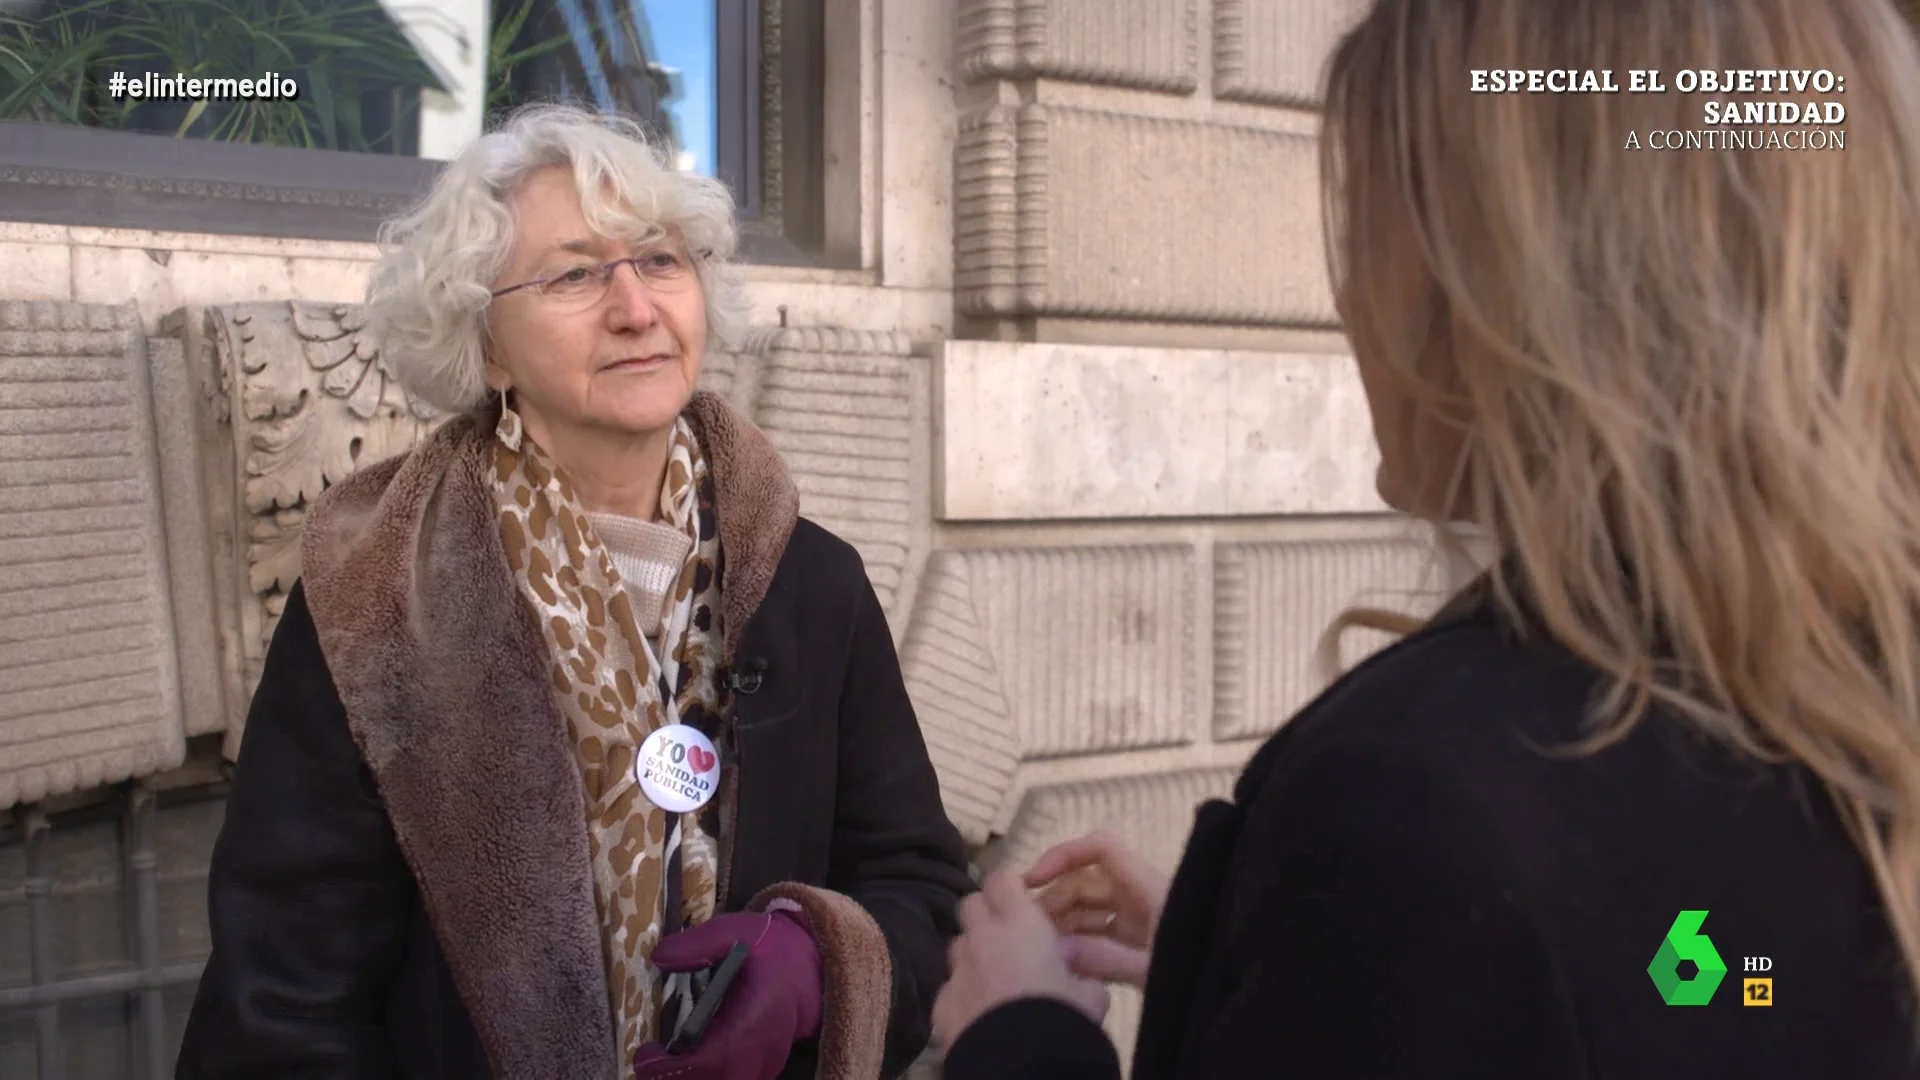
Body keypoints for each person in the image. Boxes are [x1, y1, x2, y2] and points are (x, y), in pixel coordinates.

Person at [930, 0, 1920, 1076]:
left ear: (1506, 275)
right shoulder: (1836, 705)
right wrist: (1268, 965)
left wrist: (1018, 1038)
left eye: (1376, 228)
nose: (1350, 297)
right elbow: (1701, 992)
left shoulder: (1425, 799)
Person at [175, 102, 973, 1080]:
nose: (635, 307)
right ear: (489, 344)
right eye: (576, 273)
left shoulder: (810, 581)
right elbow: (287, 1000)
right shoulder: (378, 595)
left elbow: (923, 885)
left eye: (660, 261)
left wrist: (817, 957)